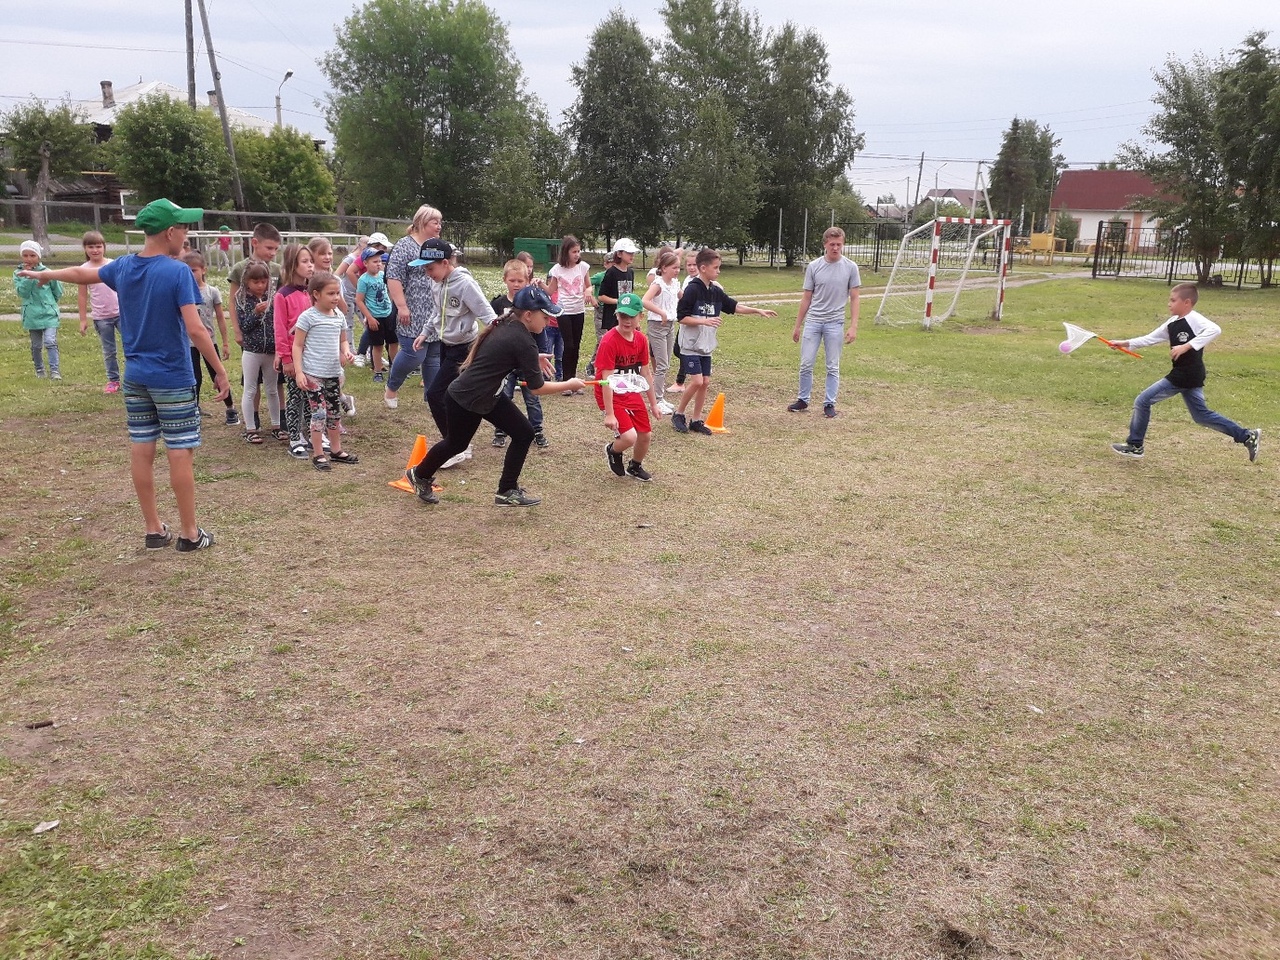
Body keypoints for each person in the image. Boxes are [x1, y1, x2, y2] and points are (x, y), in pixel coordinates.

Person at [18, 198, 229, 551]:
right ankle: (190, 534)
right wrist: (220, 371)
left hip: (135, 376)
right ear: (170, 232)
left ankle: (153, 529)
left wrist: (45, 273)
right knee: (180, 451)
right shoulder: (177, 272)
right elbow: (195, 329)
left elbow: (82, 274)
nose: (186, 235)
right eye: (184, 229)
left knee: (142, 448)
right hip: (172, 377)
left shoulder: (124, 267)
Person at [405, 286, 585, 508]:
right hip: (467, 398)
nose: (548, 322)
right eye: (545, 317)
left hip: (485, 395)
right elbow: (537, 388)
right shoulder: (522, 339)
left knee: (523, 433)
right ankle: (419, 474)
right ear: (529, 315)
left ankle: (506, 491)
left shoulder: (508, 322)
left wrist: (533, 357)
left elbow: (505, 353)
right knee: (456, 444)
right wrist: (569, 384)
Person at [1108, 283, 1261, 462]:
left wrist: (1187, 346)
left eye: (1173, 300)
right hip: (1190, 375)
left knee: (1142, 401)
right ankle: (1247, 436)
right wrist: (1124, 343)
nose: (1169, 304)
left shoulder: (1194, 319)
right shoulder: (1172, 322)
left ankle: (1135, 445)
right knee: (1201, 416)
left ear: (1187, 302)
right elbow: (1150, 339)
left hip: (1185, 374)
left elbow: (1215, 329)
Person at [410, 238, 496, 468]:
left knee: (436, 394)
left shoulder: (465, 285)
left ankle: (454, 446)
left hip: (464, 348)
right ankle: (460, 444)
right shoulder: (436, 283)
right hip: (445, 345)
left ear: (445, 263)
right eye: (425, 269)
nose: (427, 273)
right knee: (452, 396)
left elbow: (488, 316)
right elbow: (437, 312)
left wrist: (502, 344)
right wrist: (425, 332)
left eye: (430, 268)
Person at [673, 247, 777, 435]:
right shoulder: (692, 289)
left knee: (705, 382)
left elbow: (734, 306)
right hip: (690, 345)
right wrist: (703, 321)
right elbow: (681, 317)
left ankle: (696, 420)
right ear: (703, 268)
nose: (719, 271)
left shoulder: (715, 290)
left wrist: (757, 310)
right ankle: (678, 414)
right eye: (716, 267)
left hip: (706, 346)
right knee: (696, 381)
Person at [787, 227, 861, 418]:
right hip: (813, 321)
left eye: (839, 244)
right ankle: (803, 399)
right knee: (806, 363)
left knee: (832, 365)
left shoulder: (850, 267)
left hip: (835, 322)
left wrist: (853, 326)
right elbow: (806, 297)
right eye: (832, 244)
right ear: (825, 245)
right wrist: (797, 325)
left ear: (843, 244)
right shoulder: (814, 266)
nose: (835, 248)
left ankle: (829, 403)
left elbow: (854, 297)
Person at [292, 272, 358, 470]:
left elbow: (343, 340)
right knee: (319, 413)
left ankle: (336, 451)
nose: (336, 297)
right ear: (316, 294)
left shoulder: (339, 316)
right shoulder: (307, 317)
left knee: (334, 413)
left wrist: (346, 352)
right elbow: (297, 345)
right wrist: (299, 372)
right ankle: (319, 454)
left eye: (337, 293)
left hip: (333, 374)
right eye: (331, 293)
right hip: (313, 375)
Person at [598, 292, 661, 481]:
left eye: (631, 316)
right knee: (628, 437)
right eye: (623, 315)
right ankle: (613, 450)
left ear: (641, 316)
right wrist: (609, 413)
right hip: (610, 392)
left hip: (629, 389)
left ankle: (635, 466)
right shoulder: (609, 341)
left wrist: (654, 403)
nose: (627, 320)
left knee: (645, 434)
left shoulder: (641, 339)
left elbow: (646, 373)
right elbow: (606, 380)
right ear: (617, 315)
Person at [385, 207, 443, 411]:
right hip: (412, 310)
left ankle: (432, 398)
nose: (439, 226)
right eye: (435, 222)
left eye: (440, 222)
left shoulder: (435, 246)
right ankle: (392, 387)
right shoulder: (405, 245)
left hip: (434, 310)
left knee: (433, 355)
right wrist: (402, 306)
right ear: (422, 223)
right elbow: (393, 277)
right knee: (413, 354)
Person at [490, 260, 550, 450]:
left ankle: (537, 430)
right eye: (512, 280)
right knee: (503, 397)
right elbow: (491, 329)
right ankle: (500, 430)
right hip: (505, 362)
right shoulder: (498, 303)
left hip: (527, 359)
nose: (516, 284)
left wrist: (540, 353)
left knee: (532, 397)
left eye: (520, 281)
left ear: (527, 280)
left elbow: (541, 332)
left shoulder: (532, 304)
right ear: (505, 280)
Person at [182, 251, 238, 425]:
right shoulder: (182, 292)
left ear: (203, 270)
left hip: (209, 341)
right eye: (187, 271)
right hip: (189, 343)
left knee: (218, 375)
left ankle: (230, 408)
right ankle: (194, 409)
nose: (191, 274)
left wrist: (226, 343)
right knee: (194, 377)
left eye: (194, 270)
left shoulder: (211, 291)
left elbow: (220, 317)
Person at [274, 243, 317, 459]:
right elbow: (280, 329)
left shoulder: (312, 293)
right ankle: (294, 438)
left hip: (313, 355)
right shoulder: (283, 295)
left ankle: (310, 435)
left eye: (311, 261)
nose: (310, 266)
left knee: (311, 396)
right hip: (294, 357)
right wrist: (286, 358)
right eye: (305, 262)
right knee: (295, 398)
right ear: (293, 264)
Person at [234, 260, 282, 444]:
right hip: (252, 351)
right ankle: (250, 429)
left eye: (264, 281)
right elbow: (244, 326)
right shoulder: (242, 300)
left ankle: (277, 426)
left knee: (272, 389)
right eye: (256, 282)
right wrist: (255, 313)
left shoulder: (274, 298)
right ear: (247, 282)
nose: (260, 285)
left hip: (271, 351)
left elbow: (278, 322)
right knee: (250, 389)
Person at [77, 231, 122, 392]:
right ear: (85, 248)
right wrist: (83, 319)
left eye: (98, 246)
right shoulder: (83, 270)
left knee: (131, 346)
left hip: (121, 314)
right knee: (109, 351)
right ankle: (113, 380)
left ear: (104, 247)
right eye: (91, 247)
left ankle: (135, 378)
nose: (95, 250)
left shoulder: (112, 265)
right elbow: (82, 295)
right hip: (101, 317)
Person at [546, 234, 594, 385]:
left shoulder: (583, 267)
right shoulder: (557, 269)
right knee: (569, 345)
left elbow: (589, 285)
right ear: (566, 252)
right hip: (564, 311)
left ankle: (574, 380)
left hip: (578, 310)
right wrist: (540, 284)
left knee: (576, 345)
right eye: (574, 252)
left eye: (578, 251)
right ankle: (567, 381)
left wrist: (588, 291)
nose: (577, 254)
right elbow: (550, 290)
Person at [14, 240, 62, 380]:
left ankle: (55, 371)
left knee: (50, 341)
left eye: (32, 255)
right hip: (31, 315)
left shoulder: (47, 272)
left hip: (49, 313)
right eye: (25, 255)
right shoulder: (18, 273)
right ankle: (40, 370)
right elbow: (23, 293)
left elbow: (57, 291)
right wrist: (28, 277)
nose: (29, 259)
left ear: (39, 256)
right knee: (36, 345)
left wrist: (50, 304)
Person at [641, 249, 681, 414]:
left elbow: (682, 296)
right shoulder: (658, 284)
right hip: (657, 326)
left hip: (670, 325)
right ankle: (656, 400)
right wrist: (661, 312)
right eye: (674, 267)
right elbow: (645, 300)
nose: (677, 271)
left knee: (665, 363)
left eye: (679, 267)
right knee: (662, 364)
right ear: (664, 268)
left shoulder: (675, 283)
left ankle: (660, 397)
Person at [356, 245, 396, 382]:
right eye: (375, 261)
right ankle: (378, 371)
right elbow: (359, 300)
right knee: (378, 345)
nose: (378, 264)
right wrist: (369, 317)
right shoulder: (363, 280)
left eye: (380, 261)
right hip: (375, 316)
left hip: (388, 314)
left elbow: (389, 290)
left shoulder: (383, 275)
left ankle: (394, 368)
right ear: (365, 263)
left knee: (393, 342)